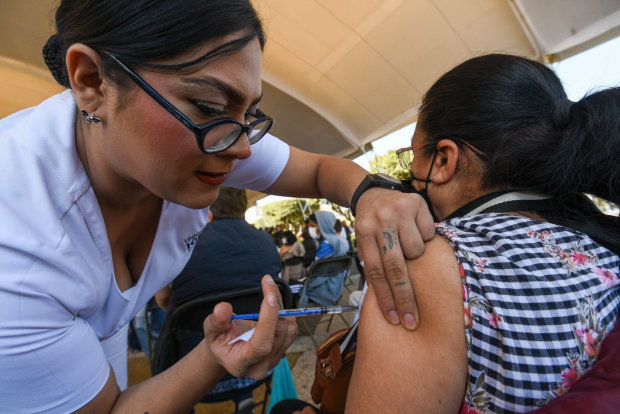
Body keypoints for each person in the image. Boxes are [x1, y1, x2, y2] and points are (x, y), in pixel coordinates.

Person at [0, 1, 434, 412]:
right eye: (209, 107)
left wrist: (372, 194)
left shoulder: (199, 141)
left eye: (249, 115)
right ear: (91, 80)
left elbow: (320, 170)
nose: (243, 149)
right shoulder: (18, 255)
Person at [343, 55, 620, 414]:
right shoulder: (605, 237)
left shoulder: (433, 263)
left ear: (444, 159)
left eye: (411, 155)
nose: (409, 172)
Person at [151, 187, 281, 409]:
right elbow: (276, 296)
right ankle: (243, 398)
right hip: (255, 366)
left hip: (190, 377)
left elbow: (162, 300)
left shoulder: (182, 245)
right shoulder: (268, 242)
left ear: (207, 213)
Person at [298, 212, 350, 308]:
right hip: (337, 288)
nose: (311, 229)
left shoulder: (327, 243)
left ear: (322, 226)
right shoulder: (339, 241)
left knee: (293, 289)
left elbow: (314, 271)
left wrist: (309, 270)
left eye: (313, 226)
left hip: (322, 290)